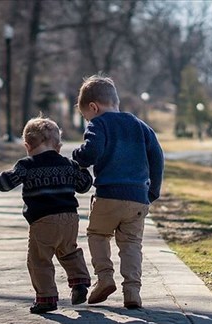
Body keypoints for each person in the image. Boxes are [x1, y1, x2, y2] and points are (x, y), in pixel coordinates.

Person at [0, 116, 93, 314]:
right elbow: (84, 185)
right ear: (58, 146)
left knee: (39, 259)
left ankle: (46, 298)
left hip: (43, 220)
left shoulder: (26, 165)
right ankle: (79, 283)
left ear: (27, 145)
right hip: (70, 219)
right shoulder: (68, 164)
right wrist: (84, 169)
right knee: (69, 251)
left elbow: (6, 182)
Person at [72, 74, 164, 309]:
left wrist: (77, 157)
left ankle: (104, 278)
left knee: (97, 234)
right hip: (137, 198)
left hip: (108, 195)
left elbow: (91, 153)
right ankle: (132, 291)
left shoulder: (98, 124)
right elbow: (157, 157)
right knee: (132, 243)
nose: (88, 120)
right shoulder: (140, 126)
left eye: (86, 116)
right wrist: (152, 191)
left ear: (94, 107)